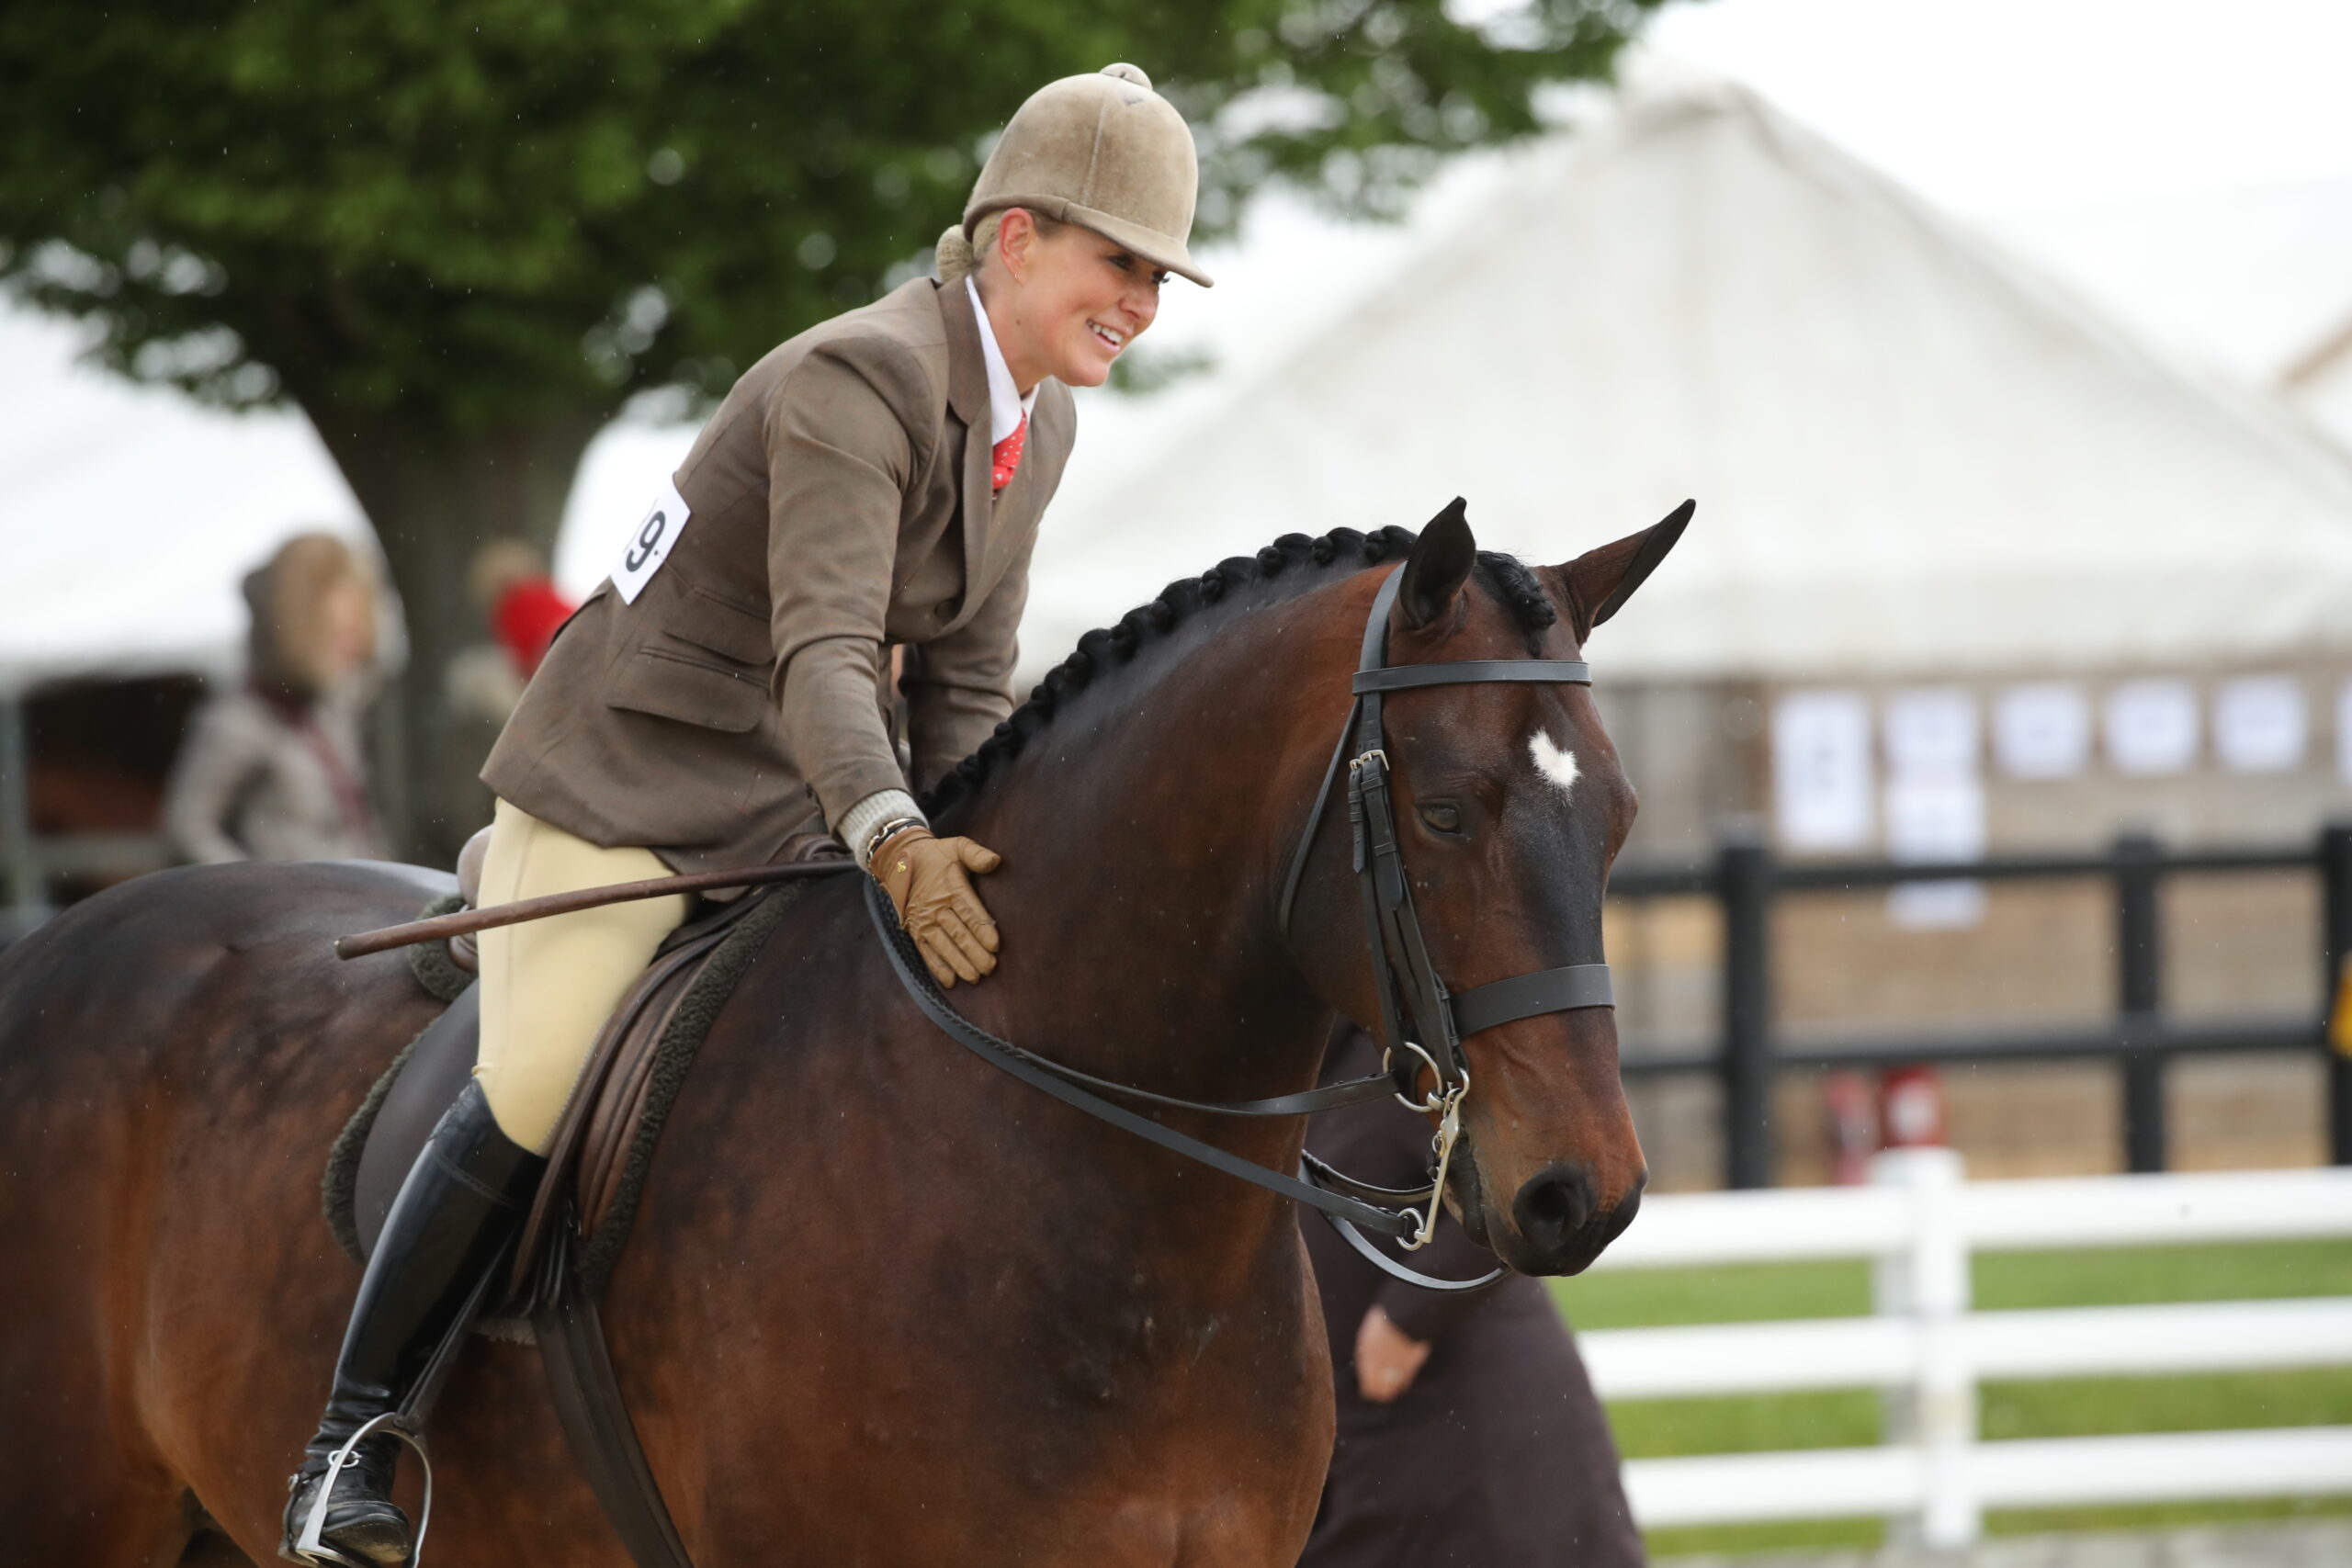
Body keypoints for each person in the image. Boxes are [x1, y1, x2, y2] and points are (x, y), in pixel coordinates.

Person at [280, 62, 1211, 1566]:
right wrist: (897, 840)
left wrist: (988, 836)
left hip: (794, 810)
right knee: (538, 1076)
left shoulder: (1037, 426)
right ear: (1018, 238)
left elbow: (965, 686)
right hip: (635, 791)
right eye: (1123, 264)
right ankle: (347, 1442)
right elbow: (830, 655)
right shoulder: (865, 379)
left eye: (1161, 277)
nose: (1144, 304)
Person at [1299, 1026, 1646, 1568]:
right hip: (1369, 1441)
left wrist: (1407, 1317)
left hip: (1473, 1430)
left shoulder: (1406, 1055)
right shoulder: (1297, 1059)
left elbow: (1526, 1184)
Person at [163, 532, 383, 866]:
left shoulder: (332, 714)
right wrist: (259, 894)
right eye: (340, 635)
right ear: (306, 629)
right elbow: (186, 829)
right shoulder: (239, 722)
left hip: (349, 906)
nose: (355, 648)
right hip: (287, 909)